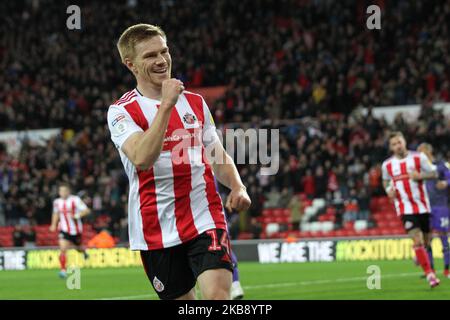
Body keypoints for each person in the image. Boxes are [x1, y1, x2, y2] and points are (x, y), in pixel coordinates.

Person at [107, 24, 251, 300]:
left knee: (218, 297)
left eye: (164, 51)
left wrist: (237, 186)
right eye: (150, 56)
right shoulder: (121, 111)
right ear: (131, 65)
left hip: (204, 215)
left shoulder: (196, 103)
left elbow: (216, 153)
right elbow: (142, 158)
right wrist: (166, 105)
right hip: (155, 227)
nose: (162, 60)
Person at [381, 132, 439, 288]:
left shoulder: (418, 157)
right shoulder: (387, 165)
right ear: (391, 147)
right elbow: (385, 181)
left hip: (422, 206)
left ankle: (419, 254)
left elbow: (434, 173)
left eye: (399, 142)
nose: (397, 146)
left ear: (404, 141)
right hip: (404, 208)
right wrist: (388, 191)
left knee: (427, 241)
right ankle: (430, 275)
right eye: (394, 144)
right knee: (417, 240)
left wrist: (420, 175)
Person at [417, 143, 450, 278]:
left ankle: (447, 269)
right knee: (426, 239)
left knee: (443, 237)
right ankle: (430, 270)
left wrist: (446, 183)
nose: (419, 155)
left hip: (440, 206)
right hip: (425, 207)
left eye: (421, 151)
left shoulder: (440, 165)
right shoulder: (419, 169)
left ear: (428, 152)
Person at [49, 183, 91, 278]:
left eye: (64, 191)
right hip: (63, 229)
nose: (63, 193)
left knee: (78, 248)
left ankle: (84, 253)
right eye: (61, 191)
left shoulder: (75, 200)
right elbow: (55, 213)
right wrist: (53, 224)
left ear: (68, 191)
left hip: (76, 230)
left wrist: (77, 216)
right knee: (63, 249)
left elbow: (87, 210)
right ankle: (63, 270)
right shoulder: (57, 202)